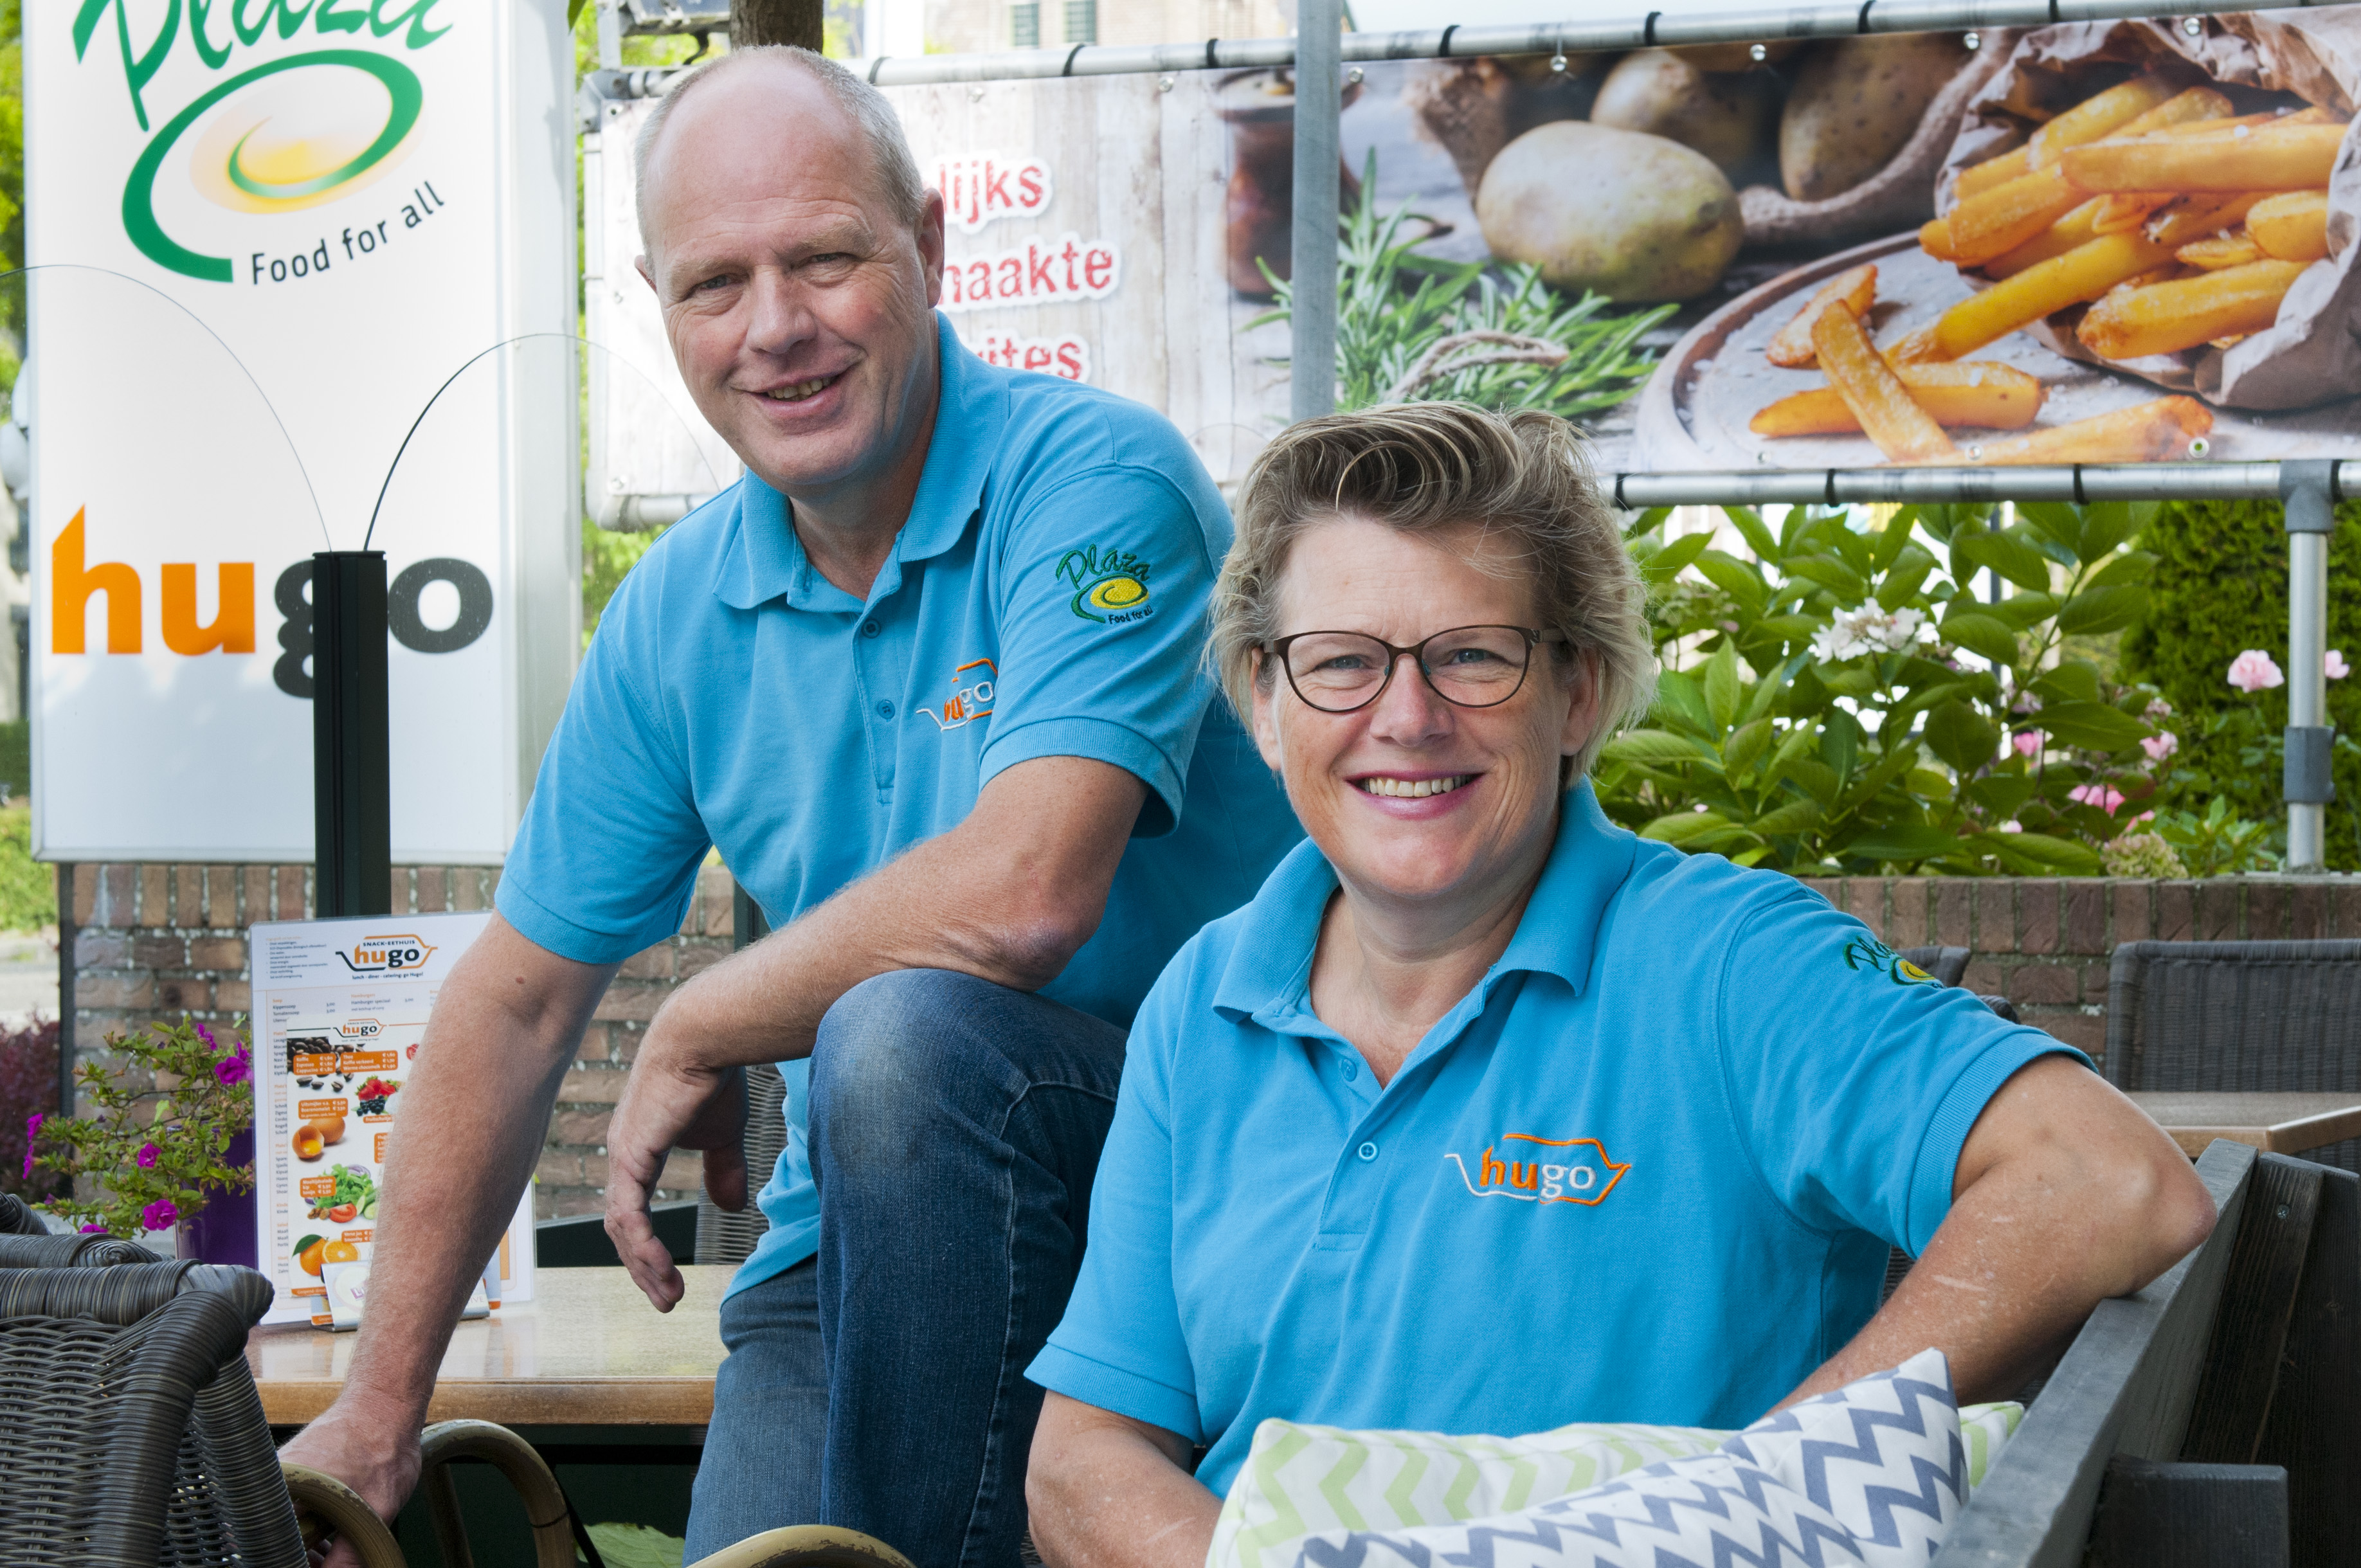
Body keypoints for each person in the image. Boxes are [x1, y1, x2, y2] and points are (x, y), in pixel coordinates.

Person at [281, 44, 1299, 1567]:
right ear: (658, 302)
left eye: (825, 259)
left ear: (931, 247)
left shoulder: (1095, 483)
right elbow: (509, 1003)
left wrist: (702, 1018)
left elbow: (1022, 897)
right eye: (715, 284)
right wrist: (376, 1409)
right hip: (852, 1239)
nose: (776, 329)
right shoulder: (682, 605)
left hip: (1181, 1189)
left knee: (896, 1037)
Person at [1020, 403, 2217, 1566]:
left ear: (1578, 693)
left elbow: (2107, 1181)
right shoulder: (1204, 996)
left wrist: (1755, 1492)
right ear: (1263, 706)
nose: (1408, 717)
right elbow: (1085, 1455)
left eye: (1473, 657)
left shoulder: (1728, 964)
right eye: (1340, 664)